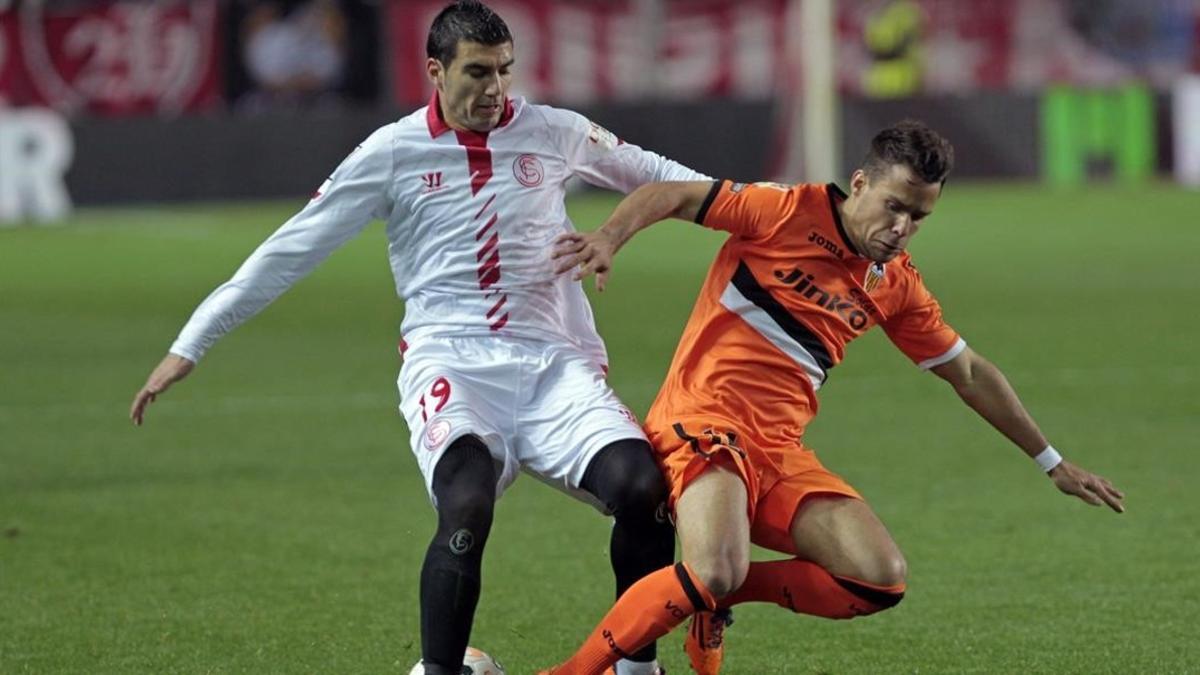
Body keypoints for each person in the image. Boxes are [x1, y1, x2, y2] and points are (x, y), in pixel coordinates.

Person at [129, 2, 708, 673]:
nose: (496, 89)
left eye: (506, 71)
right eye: (478, 72)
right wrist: (190, 343)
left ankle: (637, 668)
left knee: (643, 488)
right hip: (453, 363)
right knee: (466, 502)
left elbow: (670, 178)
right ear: (435, 71)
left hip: (555, 365)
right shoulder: (392, 152)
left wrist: (797, 211)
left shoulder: (554, 131)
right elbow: (288, 251)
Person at [543, 120, 1125, 674]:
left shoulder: (895, 284)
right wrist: (609, 236)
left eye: (919, 217)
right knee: (715, 567)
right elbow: (670, 194)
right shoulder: (782, 209)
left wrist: (1051, 461)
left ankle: (716, 598)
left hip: (779, 451)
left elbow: (969, 372)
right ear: (863, 183)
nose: (901, 228)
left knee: (878, 578)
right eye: (894, 207)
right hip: (703, 421)